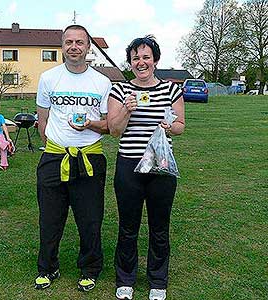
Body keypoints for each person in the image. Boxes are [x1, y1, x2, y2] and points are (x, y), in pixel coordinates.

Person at [107, 35, 185, 300]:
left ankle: (158, 281)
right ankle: (125, 279)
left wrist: (169, 126)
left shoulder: (172, 90)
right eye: (135, 58)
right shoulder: (119, 91)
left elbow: (180, 126)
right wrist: (127, 110)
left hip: (161, 166)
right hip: (129, 165)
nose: (141, 62)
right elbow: (114, 130)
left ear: (155, 60)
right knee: (128, 225)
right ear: (130, 63)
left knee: (159, 226)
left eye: (146, 57)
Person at [35, 24, 111, 292]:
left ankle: (89, 268)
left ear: (88, 47)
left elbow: (109, 125)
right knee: (50, 218)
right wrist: (55, 145)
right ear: (62, 45)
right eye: (69, 42)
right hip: (54, 158)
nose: (74, 47)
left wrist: (89, 124)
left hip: (90, 158)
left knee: (90, 218)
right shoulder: (48, 78)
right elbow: (42, 121)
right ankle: (47, 267)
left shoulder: (101, 82)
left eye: (80, 42)